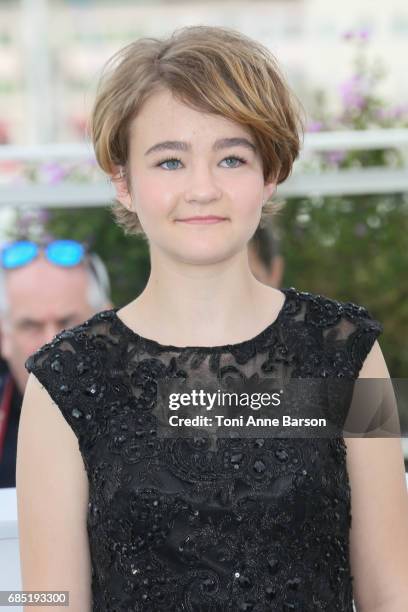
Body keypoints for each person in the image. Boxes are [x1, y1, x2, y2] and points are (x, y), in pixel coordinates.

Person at [17, 25, 408, 612]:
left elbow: (392, 593)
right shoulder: (65, 379)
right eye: (170, 161)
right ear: (123, 182)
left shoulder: (350, 352)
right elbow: (50, 604)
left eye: (231, 157)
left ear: (269, 173)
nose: (202, 189)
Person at [0, 239, 112, 488]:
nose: (50, 344)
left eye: (66, 322)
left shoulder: (157, 415)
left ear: (105, 329)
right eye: (31, 326)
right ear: (3, 337)